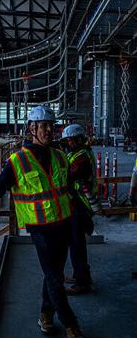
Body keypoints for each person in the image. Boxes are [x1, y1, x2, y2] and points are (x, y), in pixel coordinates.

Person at [0, 105, 86, 338]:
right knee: (54, 277)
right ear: (32, 128)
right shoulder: (18, 161)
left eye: (51, 125)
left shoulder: (60, 156)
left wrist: (82, 214)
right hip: (40, 229)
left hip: (63, 223)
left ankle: (45, 314)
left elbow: (68, 188)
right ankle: (71, 324)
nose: (49, 130)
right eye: (44, 126)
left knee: (54, 274)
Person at [61, 124, 96, 294]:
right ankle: (79, 275)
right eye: (67, 140)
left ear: (79, 139)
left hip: (80, 203)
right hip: (76, 202)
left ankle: (83, 282)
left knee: (77, 244)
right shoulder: (77, 153)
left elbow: (68, 175)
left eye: (71, 140)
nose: (68, 143)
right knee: (75, 242)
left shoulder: (81, 157)